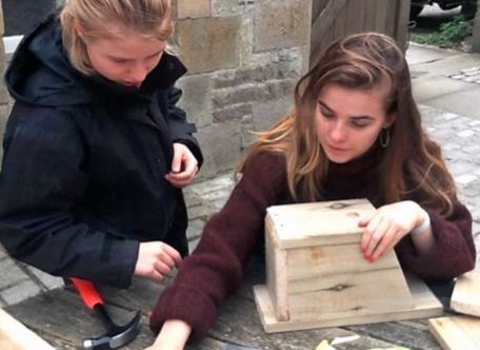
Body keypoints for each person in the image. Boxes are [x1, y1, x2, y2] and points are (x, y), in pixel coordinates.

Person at [145, 32, 476, 350]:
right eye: (326, 113)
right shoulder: (279, 159)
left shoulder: (411, 165)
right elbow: (219, 248)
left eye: (359, 123)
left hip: (386, 324)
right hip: (278, 320)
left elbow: (460, 257)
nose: (336, 135)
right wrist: (172, 337)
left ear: (390, 118)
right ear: (312, 99)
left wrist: (419, 221)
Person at [0, 0, 202, 288]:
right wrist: (125, 256)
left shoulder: (134, 56)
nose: (139, 75)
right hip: (106, 276)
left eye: (154, 56)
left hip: (166, 242)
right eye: (120, 61)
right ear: (81, 33)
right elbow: (26, 229)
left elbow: (164, 100)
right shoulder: (47, 119)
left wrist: (180, 139)